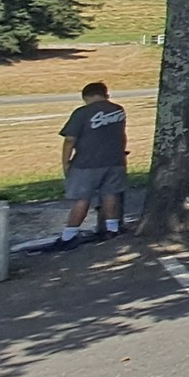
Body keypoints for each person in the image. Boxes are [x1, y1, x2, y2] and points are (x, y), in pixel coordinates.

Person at [42, 82, 127, 251]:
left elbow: (70, 139)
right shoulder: (118, 110)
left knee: (82, 198)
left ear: (86, 96)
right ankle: (112, 229)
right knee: (110, 194)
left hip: (87, 163)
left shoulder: (82, 113)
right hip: (115, 160)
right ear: (105, 94)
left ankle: (69, 236)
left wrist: (66, 162)